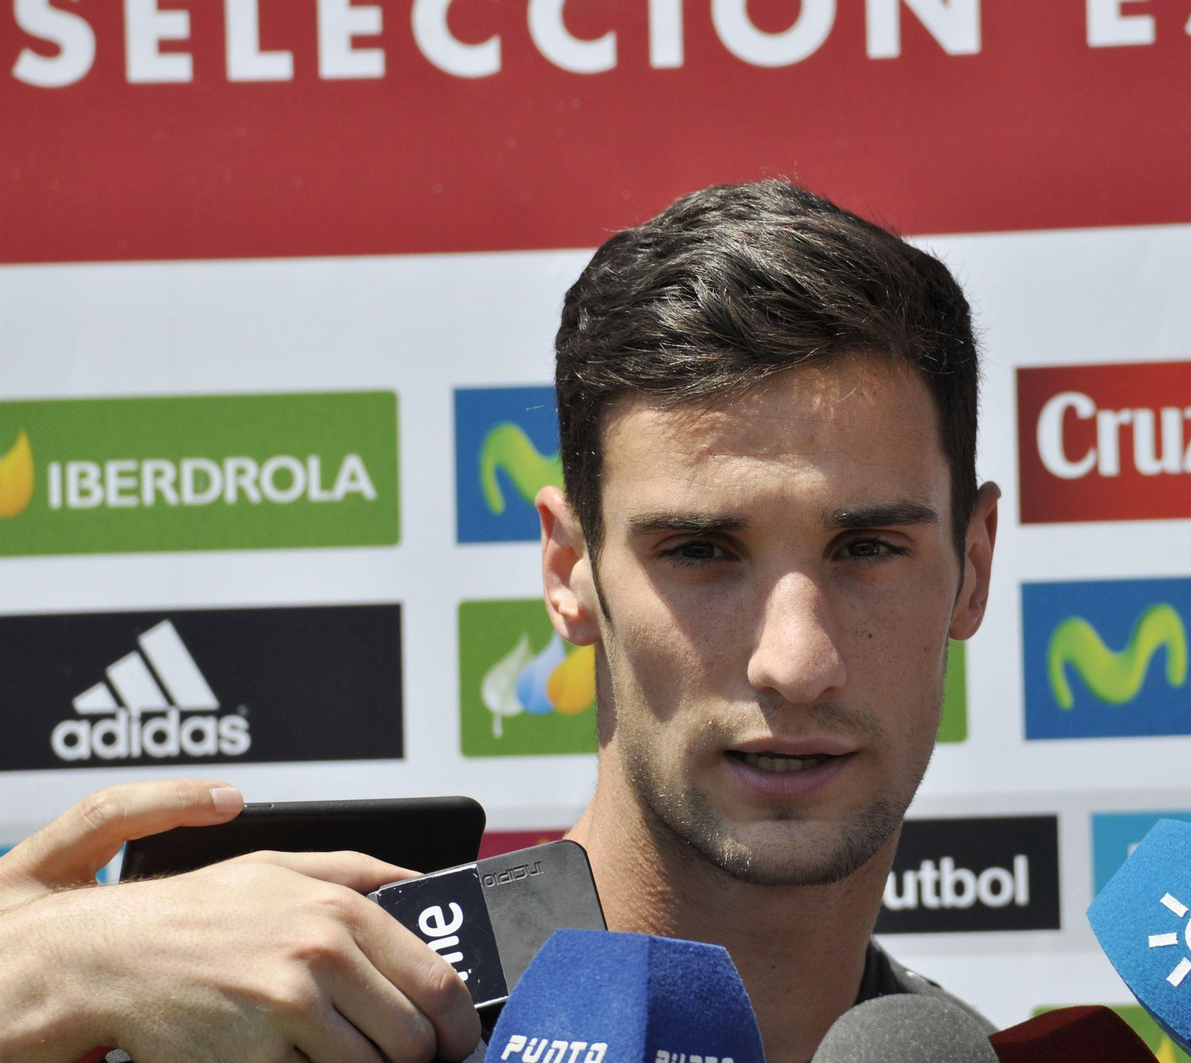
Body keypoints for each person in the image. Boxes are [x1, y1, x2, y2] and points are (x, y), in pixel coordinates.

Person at [0, 180, 1000, 1063]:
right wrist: (31, 981)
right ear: (568, 570)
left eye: (867, 549)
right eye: (700, 550)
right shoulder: (302, 1024)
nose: (797, 661)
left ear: (973, 566)